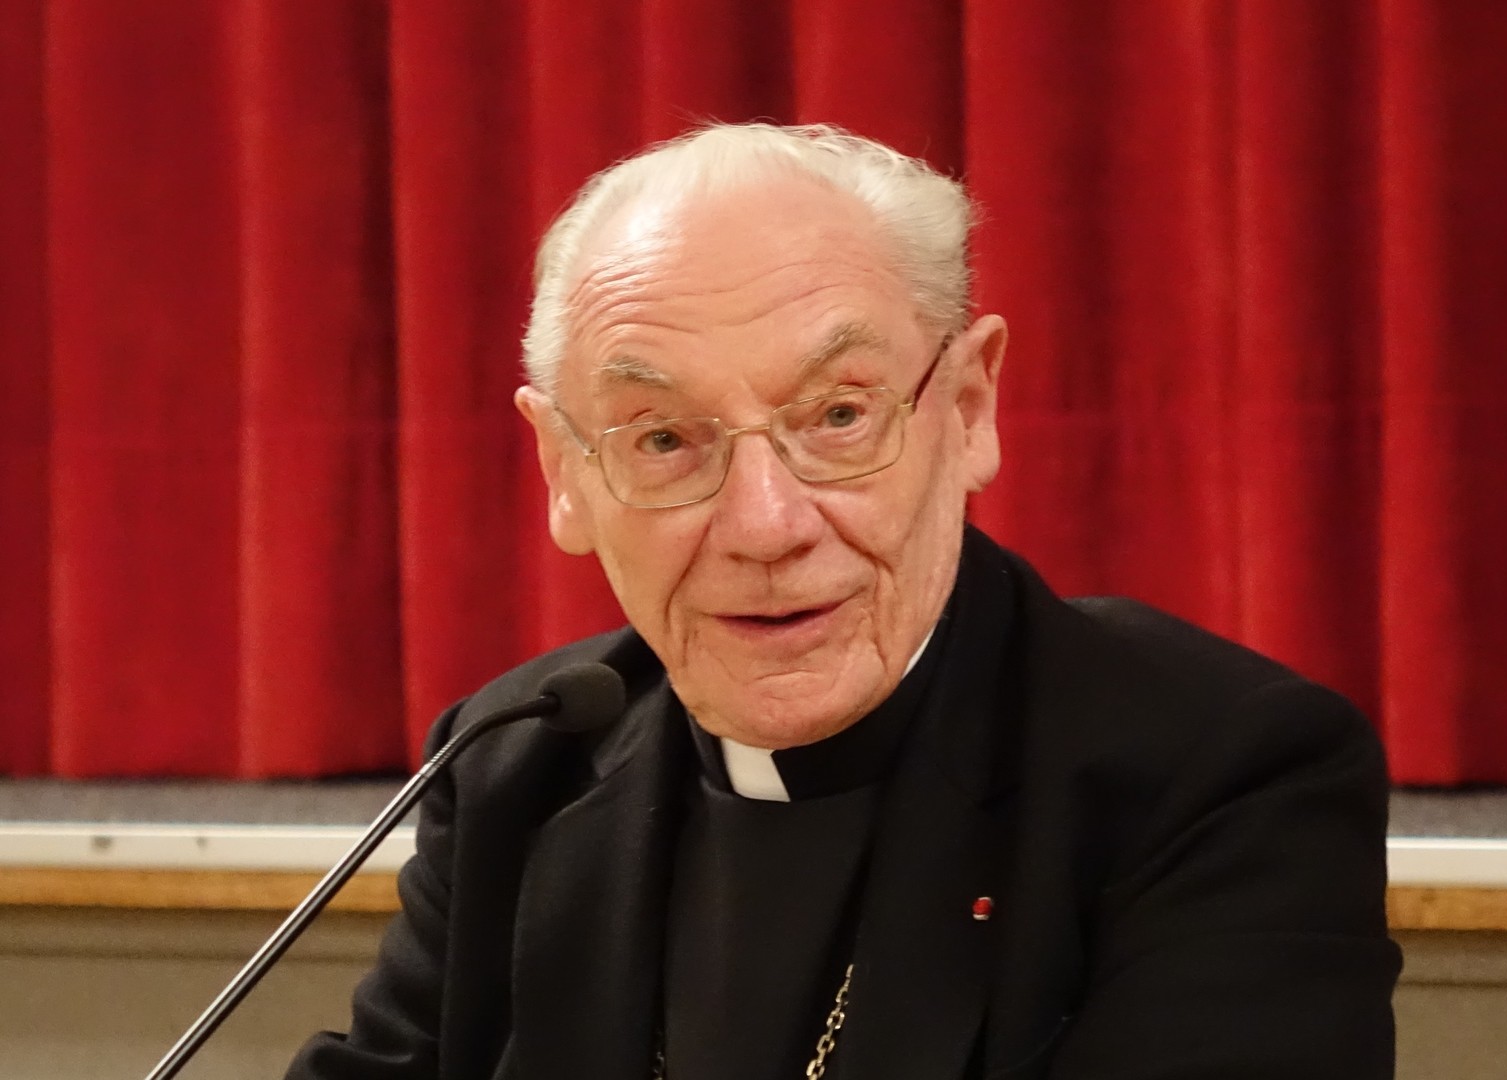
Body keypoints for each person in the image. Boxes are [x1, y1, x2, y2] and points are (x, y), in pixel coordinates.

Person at [286, 123, 1400, 1080]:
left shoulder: (1214, 777)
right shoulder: (513, 771)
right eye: (666, 440)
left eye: (837, 418)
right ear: (566, 473)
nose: (767, 524)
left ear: (965, 410)